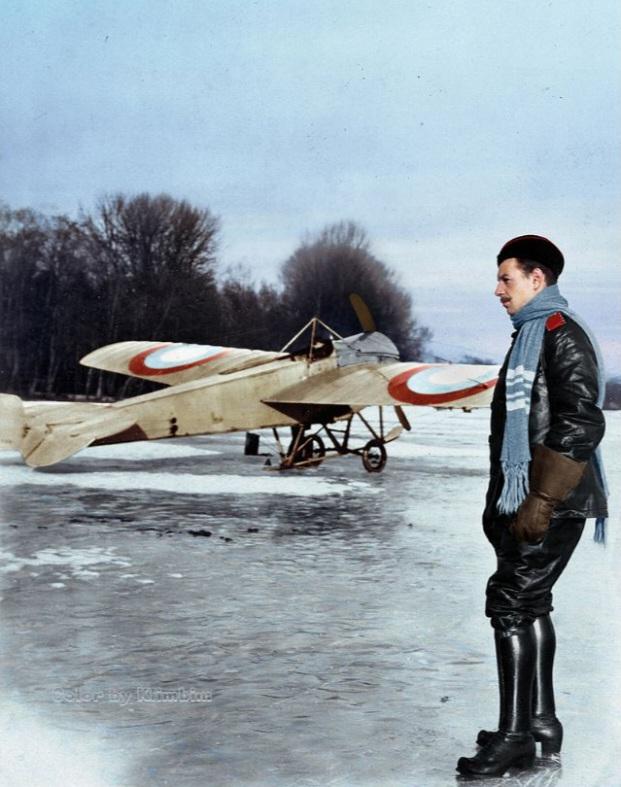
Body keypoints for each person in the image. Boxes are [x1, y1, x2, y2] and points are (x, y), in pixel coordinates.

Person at [456, 235, 608, 778]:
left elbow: (583, 421)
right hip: (538, 499)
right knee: (531, 602)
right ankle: (539, 722)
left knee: (512, 605)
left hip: (553, 500)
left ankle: (515, 737)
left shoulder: (559, 336)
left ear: (536, 279)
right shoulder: (531, 335)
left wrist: (541, 499)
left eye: (506, 278)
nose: (498, 290)